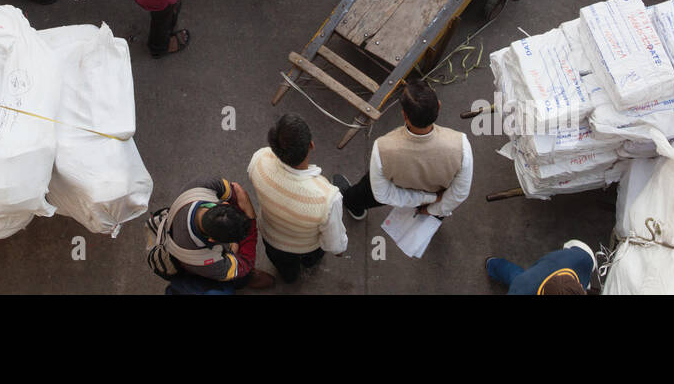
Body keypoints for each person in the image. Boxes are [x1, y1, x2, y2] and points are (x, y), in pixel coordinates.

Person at [333, 80, 473, 223]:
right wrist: (432, 208)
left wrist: (427, 199)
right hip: (437, 196)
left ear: (404, 115)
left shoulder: (382, 147)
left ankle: (353, 204)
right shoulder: (461, 144)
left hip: (402, 188)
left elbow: (382, 194)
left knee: (365, 190)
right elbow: (459, 193)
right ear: (439, 106)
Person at [247, 113, 347, 284]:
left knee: (286, 271)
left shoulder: (259, 159)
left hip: (271, 238)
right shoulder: (327, 198)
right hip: (305, 247)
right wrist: (339, 249)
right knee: (311, 260)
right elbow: (333, 241)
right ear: (311, 145)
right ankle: (308, 265)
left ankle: (290, 279)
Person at [162, 177, 276, 294]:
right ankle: (243, 281)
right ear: (212, 240)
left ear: (224, 203)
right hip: (194, 264)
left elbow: (236, 190)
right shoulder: (205, 263)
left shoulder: (199, 186)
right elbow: (246, 264)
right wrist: (251, 220)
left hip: (178, 230)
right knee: (235, 276)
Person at [485, 240, 597, 295]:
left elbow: (574, 245)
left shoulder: (579, 257)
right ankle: (492, 265)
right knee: (512, 275)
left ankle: (492, 263)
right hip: (525, 283)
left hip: (542, 269)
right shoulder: (520, 290)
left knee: (515, 274)